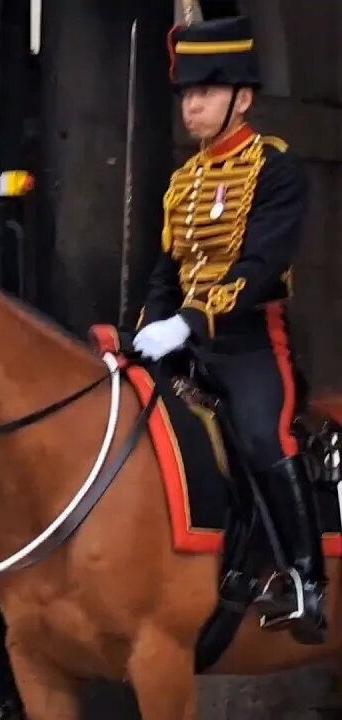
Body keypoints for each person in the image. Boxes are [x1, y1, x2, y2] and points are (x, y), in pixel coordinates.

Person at [132, 15, 323, 644]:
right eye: (187, 94)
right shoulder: (183, 183)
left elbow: (261, 267)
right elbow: (167, 268)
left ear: (242, 98)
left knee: (262, 437)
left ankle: (305, 581)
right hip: (183, 341)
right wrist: (149, 327)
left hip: (247, 345)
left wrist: (189, 322)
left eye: (206, 92)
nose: (192, 105)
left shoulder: (275, 171)